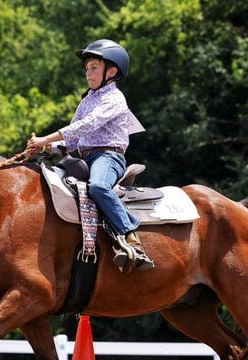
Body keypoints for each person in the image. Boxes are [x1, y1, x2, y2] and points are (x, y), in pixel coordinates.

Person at [26, 39, 154, 272]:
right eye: (87, 68)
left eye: (94, 67)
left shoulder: (115, 99)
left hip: (108, 157)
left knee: (98, 187)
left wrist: (45, 138)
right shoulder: (87, 100)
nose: (88, 73)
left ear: (112, 71)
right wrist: (45, 149)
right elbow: (73, 140)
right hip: (86, 158)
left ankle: (130, 233)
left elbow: (86, 125)